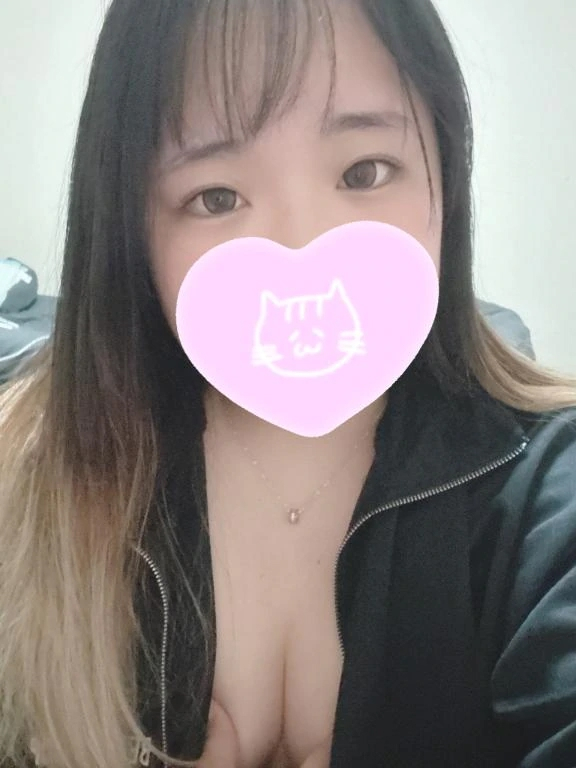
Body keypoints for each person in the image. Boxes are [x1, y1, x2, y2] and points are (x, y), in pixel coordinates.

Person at [1, 0, 575, 766]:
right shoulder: (27, 483)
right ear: (130, 228)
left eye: (365, 172)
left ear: (447, 176)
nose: (304, 245)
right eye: (216, 197)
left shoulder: (547, 495)